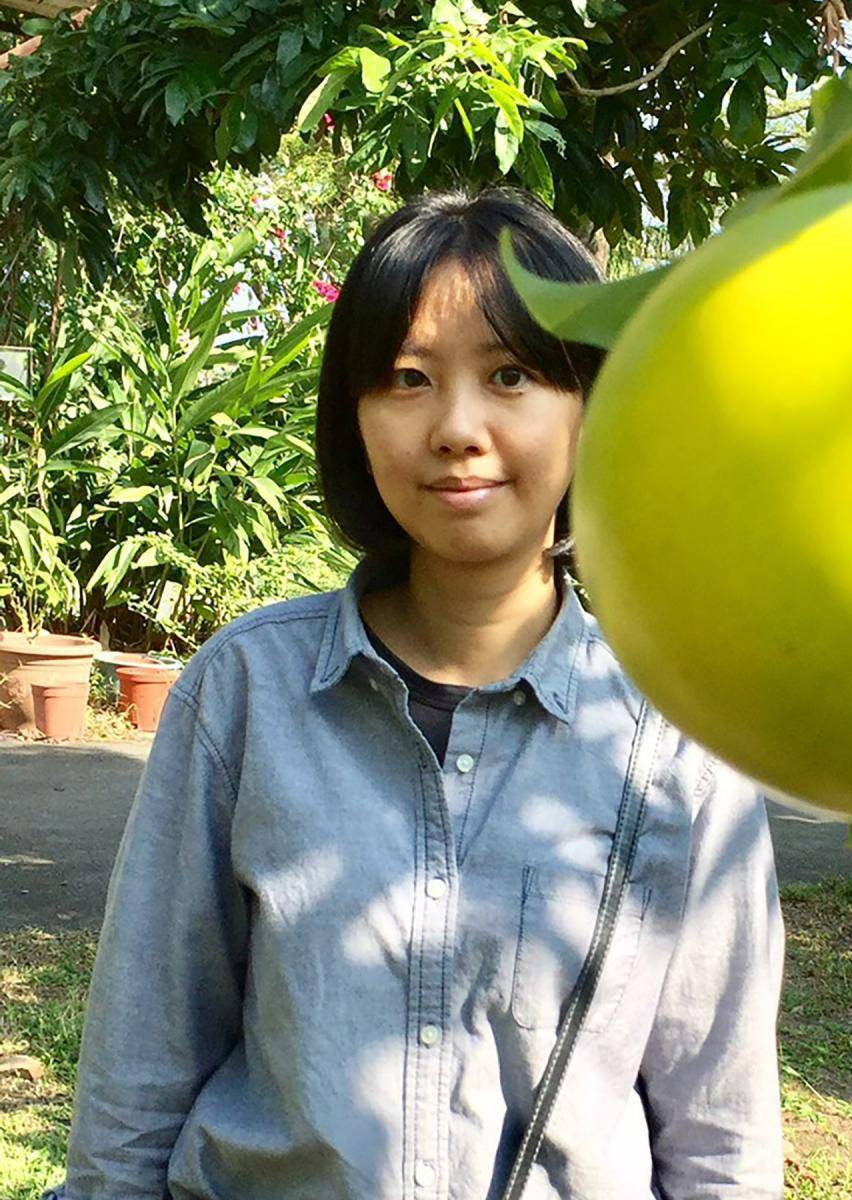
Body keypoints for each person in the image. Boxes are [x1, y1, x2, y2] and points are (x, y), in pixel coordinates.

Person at [47, 189, 786, 1199]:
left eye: (512, 374)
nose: (457, 428)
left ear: (591, 407)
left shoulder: (674, 735)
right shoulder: (247, 694)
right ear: (354, 414)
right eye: (407, 378)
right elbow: (144, 1059)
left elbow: (720, 1133)